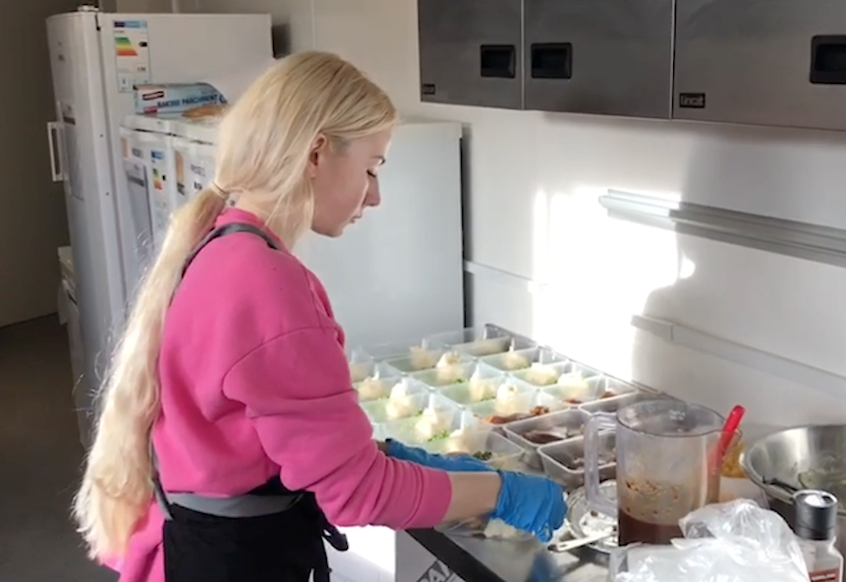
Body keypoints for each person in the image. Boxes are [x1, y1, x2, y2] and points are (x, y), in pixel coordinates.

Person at [73, 51, 566, 582]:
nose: (375, 196)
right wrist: (502, 492)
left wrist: (392, 456)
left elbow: (259, 434)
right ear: (317, 153)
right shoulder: (267, 284)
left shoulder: (223, 247)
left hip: (195, 543)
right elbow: (357, 493)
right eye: (372, 168)